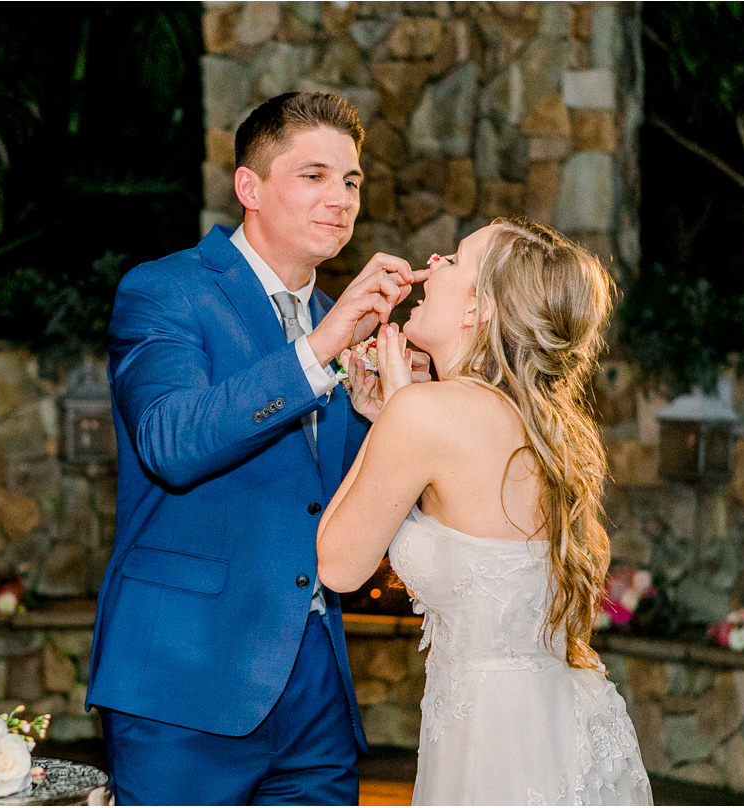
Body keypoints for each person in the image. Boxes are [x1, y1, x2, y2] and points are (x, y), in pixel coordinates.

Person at [86, 92, 431, 805]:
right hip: (183, 680)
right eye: (313, 176)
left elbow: (320, 499)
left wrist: (373, 420)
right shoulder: (167, 291)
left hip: (314, 690)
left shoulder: (339, 322)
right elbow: (171, 442)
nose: (339, 198)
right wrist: (319, 350)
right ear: (250, 187)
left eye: (351, 181)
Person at [318, 218, 654, 805]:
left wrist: (393, 416)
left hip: (489, 748)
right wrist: (393, 415)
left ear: (481, 310)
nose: (433, 260)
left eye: (452, 260)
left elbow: (338, 566)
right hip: (560, 723)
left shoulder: (425, 414)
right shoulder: (542, 423)